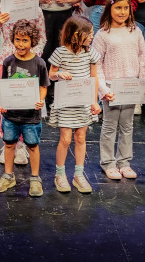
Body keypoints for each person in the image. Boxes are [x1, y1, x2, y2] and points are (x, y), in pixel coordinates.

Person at [94, 0, 145, 181]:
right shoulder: (103, 34)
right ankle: (108, 163)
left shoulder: (135, 31)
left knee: (127, 126)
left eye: (126, 8)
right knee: (110, 126)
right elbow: (97, 65)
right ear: (109, 9)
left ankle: (124, 162)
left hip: (131, 87)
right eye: (118, 8)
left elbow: (142, 60)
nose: (122, 12)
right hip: (111, 87)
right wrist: (103, 89)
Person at [0, 0, 46, 165]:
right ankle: (8, 143)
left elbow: (42, 38)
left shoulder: (36, 10)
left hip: (29, 62)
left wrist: (32, 57)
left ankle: (22, 146)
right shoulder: (1, 8)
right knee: (7, 101)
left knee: (25, 102)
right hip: (7, 59)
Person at [0, 20, 49, 197]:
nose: (21, 44)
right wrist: (1, 103)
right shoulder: (8, 61)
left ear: (32, 41)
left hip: (31, 116)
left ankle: (35, 178)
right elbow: (4, 86)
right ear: (13, 39)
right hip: (11, 116)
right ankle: (8, 176)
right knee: (9, 144)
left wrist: (40, 100)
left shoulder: (39, 63)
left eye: (25, 40)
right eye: (17, 39)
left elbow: (43, 86)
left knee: (32, 146)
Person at [48, 16, 101, 193]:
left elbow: (94, 78)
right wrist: (59, 74)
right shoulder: (60, 52)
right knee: (65, 139)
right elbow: (51, 74)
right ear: (76, 34)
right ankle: (60, 174)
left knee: (80, 138)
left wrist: (94, 101)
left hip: (83, 102)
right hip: (66, 102)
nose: (92, 37)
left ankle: (79, 175)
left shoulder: (90, 53)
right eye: (89, 34)